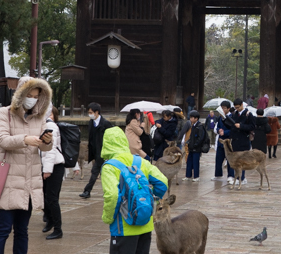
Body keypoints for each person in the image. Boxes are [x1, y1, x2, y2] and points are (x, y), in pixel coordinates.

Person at [0, 76, 54, 254]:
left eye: (36, 96)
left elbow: (45, 148)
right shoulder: (4, 113)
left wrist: (47, 141)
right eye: (29, 95)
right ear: (20, 94)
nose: (32, 99)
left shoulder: (39, 117)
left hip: (29, 183)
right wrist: (25, 140)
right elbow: (2, 140)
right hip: (7, 181)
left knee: (22, 230)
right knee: (3, 229)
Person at [100, 126, 169, 254]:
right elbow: (163, 182)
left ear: (106, 144)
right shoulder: (141, 161)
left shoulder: (109, 167)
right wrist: (149, 200)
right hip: (145, 224)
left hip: (123, 228)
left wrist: (108, 218)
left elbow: (112, 196)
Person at [40, 107, 69, 240]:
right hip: (45, 166)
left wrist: (47, 169)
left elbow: (51, 149)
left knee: (52, 198)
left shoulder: (50, 126)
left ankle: (58, 229)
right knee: (42, 197)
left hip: (54, 166)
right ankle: (50, 219)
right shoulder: (42, 124)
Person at [80, 102, 113, 199]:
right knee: (100, 173)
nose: (89, 114)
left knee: (97, 172)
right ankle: (108, 191)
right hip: (96, 152)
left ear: (97, 112)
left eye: (91, 112)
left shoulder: (105, 123)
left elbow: (112, 136)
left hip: (104, 152)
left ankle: (87, 191)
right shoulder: (91, 123)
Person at [223, 98, 255, 185]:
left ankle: (242, 178)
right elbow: (231, 126)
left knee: (242, 160)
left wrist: (241, 126)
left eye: (238, 107)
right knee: (236, 160)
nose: (237, 109)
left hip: (243, 140)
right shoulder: (234, 114)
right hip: (235, 140)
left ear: (241, 105)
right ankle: (237, 176)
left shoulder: (248, 114)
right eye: (235, 108)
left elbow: (252, 126)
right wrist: (225, 120)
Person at [182, 111, 207, 181]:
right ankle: (188, 175)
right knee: (189, 162)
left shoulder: (200, 126)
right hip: (191, 147)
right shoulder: (193, 125)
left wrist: (196, 144)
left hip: (196, 148)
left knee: (195, 162)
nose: (190, 119)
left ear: (196, 118)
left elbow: (201, 138)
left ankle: (196, 176)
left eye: (192, 118)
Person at [211, 101, 232, 182]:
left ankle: (230, 175)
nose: (223, 109)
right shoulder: (220, 117)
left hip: (228, 141)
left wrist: (225, 132)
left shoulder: (231, 117)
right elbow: (217, 127)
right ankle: (218, 175)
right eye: (222, 108)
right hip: (220, 140)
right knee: (218, 159)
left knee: (229, 159)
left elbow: (233, 129)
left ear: (228, 109)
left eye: (224, 108)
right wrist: (218, 130)